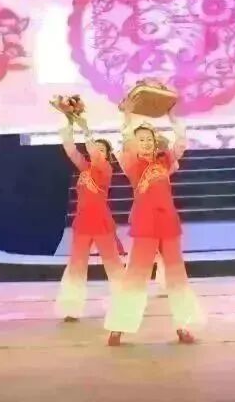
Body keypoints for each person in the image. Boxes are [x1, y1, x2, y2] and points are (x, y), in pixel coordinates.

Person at [104, 103, 203, 346]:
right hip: (145, 225)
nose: (146, 143)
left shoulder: (164, 162)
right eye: (141, 140)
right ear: (134, 144)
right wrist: (127, 114)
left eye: (149, 139)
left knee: (177, 277)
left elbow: (180, 141)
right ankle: (118, 327)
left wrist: (172, 116)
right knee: (135, 276)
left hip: (168, 224)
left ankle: (183, 326)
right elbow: (125, 134)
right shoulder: (130, 163)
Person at [55, 115, 125, 320]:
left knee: (113, 264)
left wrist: (85, 129)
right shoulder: (84, 169)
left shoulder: (105, 169)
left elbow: (94, 155)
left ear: (108, 156)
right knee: (76, 266)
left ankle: (125, 303)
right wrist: (70, 123)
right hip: (83, 223)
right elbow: (70, 149)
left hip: (101, 222)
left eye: (102, 150)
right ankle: (71, 308)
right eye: (96, 149)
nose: (98, 152)